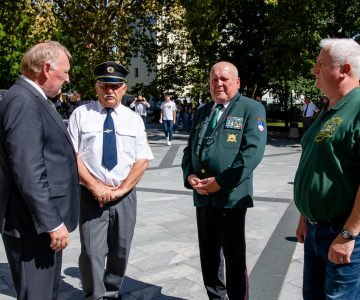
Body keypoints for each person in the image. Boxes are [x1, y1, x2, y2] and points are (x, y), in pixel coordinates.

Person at [0, 41, 80, 300]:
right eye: (65, 72)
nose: (67, 79)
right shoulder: (24, 100)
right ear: (47, 68)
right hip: (32, 226)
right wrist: (52, 222)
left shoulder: (31, 97)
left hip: (35, 224)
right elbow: (28, 169)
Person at [68, 61, 154, 300]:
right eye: (104, 85)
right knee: (92, 252)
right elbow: (72, 156)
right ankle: (94, 295)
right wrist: (95, 186)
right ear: (96, 87)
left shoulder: (133, 119)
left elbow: (142, 159)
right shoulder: (81, 115)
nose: (109, 91)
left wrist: (122, 189)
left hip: (124, 196)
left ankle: (112, 293)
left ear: (124, 88)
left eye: (115, 86)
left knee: (120, 250)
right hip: (90, 195)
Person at [181, 61, 267, 299]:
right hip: (202, 196)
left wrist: (221, 182)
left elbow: (252, 153)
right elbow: (189, 149)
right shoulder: (202, 111)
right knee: (208, 257)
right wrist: (190, 176)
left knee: (234, 259)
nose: (218, 83)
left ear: (237, 82)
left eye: (224, 79)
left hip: (231, 196)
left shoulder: (251, 108)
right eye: (214, 79)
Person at [294, 38, 360, 299]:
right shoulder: (329, 109)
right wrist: (304, 216)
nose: (314, 70)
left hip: (341, 233)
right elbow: (318, 166)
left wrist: (349, 233)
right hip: (315, 230)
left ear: (344, 70)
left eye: (320, 64)